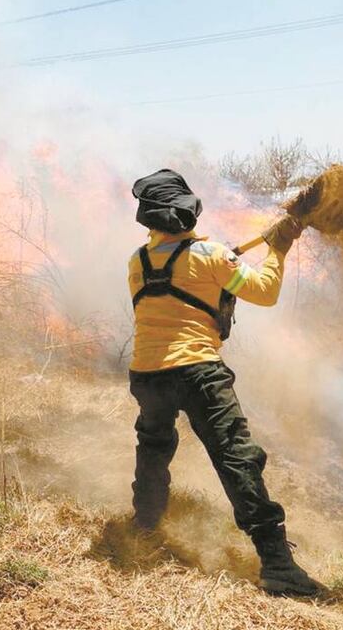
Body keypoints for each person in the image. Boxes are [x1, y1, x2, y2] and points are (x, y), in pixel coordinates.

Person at [125, 169, 323, 596]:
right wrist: (279, 248)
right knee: (236, 456)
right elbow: (265, 291)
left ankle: (143, 527)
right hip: (198, 371)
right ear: (187, 212)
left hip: (146, 373)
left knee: (154, 448)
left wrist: (218, 261)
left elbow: (177, 282)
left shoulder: (138, 262)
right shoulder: (211, 256)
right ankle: (277, 564)